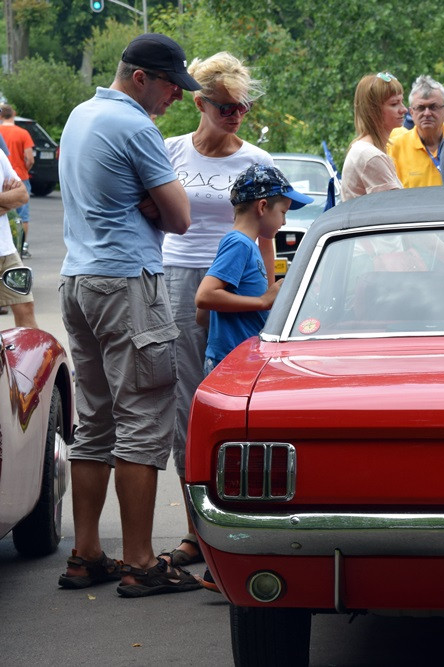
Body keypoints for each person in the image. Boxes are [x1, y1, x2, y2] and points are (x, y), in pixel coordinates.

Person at [57, 33, 201, 597]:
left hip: (77, 279)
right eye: (170, 85)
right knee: (143, 418)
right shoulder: (135, 126)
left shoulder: (80, 115)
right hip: (125, 283)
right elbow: (182, 218)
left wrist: (149, 202)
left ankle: (87, 552)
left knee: (94, 420)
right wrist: (154, 203)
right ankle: (141, 561)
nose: (175, 96)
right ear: (140, 76)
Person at [160, 51, 272, 571]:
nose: (234, 117)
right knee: (188, 402)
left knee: (237, 399)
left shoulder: (256, 161)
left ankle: (237, 526)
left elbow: (269, 235)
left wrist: (271, 296)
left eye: (242, 108)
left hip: (238, 285)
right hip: (181, 280)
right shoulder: (171, 150)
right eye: (225, 108)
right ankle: (193, 530)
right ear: (200, 103)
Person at [195, 164, 311, 370]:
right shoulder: (239, 243)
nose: (284, 222)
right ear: (262, 206)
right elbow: (204, 297)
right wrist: (262, 301)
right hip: (232, 362)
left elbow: (202, 316)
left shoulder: (245, 244)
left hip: (238, 357)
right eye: (283, 212)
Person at [341, 72, 407, 200]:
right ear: (373, 111)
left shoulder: (366, 150)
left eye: (401, 101)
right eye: (394, 104)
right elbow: (396, 207)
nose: (403, 109)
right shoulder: (371, 156)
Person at [386, 75, 444, 188]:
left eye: (433, 107)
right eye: (421, 108)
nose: (427, 113)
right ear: (411, 113)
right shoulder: (395, 148)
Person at [0, 150, 33, 326]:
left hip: (6, 251)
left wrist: (9, 199)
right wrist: (6, 199)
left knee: (25, 305)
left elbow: (22, 195)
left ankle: (29, 354)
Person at [0, 104, 34, 257]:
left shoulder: (1, 131)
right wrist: (25, 169)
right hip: (16, 178)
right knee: (22, 217)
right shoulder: (23, 133)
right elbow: (29, 158)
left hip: (6, 178)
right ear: (13, 114)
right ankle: (23, 247)